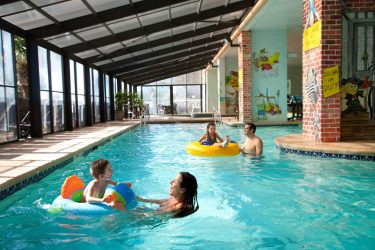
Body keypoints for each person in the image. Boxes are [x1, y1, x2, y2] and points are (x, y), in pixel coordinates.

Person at [110, 172, 199, 218]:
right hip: (152, 212)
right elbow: (160, 201)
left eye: (175, 181)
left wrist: (124, 210)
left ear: (182, 190)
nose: (170, 182)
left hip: (151, 222)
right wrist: (139, 198)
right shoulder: (174, 197)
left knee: (115, 219)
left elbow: (149, 216)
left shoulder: (178, 207)